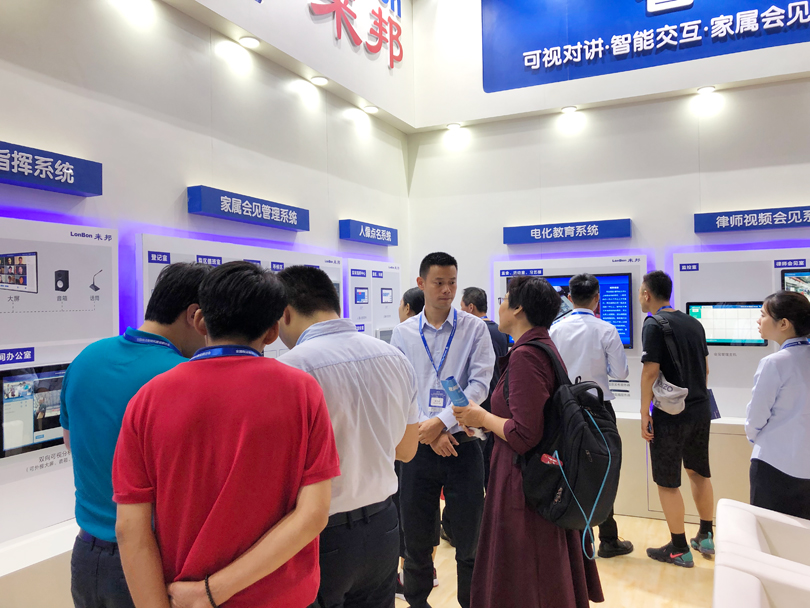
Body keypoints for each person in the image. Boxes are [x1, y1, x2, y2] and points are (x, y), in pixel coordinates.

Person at [112, 261, 340, 608]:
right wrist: (213, 590)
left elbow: (130, 529)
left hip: (182, 595)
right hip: (281, 598)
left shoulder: (148, 399)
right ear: (272, 332)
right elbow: (313, 515)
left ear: (200, 321)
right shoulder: (302, 391)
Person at [60, 262, 211, 608]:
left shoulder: (86, 358)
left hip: (87, 556)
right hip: (151, 559)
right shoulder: (186, 376)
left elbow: (72, 443)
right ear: (194, 316)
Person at [453, 276, 604, 608]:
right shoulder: (539, 346)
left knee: (527, 578)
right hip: (535, 478)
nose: (500, 307)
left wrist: (482, 417)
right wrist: (483, 424)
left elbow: (524, 434)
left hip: (523, 484)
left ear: (519, 308)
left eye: (505, 300)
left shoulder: (526, 356)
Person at [275, 266, 420, 608]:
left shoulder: (291, 369)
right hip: (384, 527)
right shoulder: (394, 357)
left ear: (286, 313)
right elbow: (406, 450)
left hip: (320, 533)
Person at [390, 252, 495, 608]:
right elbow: (400, 387)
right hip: (418, 449)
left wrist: (442, 422)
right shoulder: (403, 333)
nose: (447, 290)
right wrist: (429, 429)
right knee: (416, 541)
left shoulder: (474, 329)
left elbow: (480, 384)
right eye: (438, 283)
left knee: (469, 541)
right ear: (421, 283)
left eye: (452, 282)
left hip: (464, 445)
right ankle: (418, 602)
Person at [549, 273, 633, 559]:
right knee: (604, 470)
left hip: (565, 409)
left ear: (569, 298)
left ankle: (575, 541)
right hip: (599, 409)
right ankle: (608, 539)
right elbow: (620, 373)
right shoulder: (607, 329)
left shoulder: (555, 329)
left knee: (567, 470)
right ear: (597, 298)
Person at [639, 271, 715, 567]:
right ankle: (706, 535)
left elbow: (650, 372)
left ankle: (679, 548)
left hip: (671, 414)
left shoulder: (653, 324)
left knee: (667, 481)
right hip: (700, 408)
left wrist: (644, 412)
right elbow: (705, 369)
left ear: (647, 294)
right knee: (698, 471)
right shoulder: (694, 323)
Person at [746, 291, 810, 519]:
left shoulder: (773, 363)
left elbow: (755, 419)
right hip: (805, 467)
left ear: (783, 323)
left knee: (768, 531)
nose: (759, 320)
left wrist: (756, 439)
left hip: (772, 465)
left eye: (763, 315)